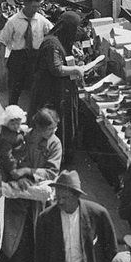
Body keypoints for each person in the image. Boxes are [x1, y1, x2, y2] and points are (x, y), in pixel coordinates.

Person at [0, 108, 62, 262]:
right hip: (18, 195)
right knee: (16, 236)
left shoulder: (54, 143)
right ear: (37, 128)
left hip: (38, 198)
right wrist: (15, 175)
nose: (53, 132)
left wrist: (28, 172)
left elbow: (52, 171)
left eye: (55, 128)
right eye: (49, 129)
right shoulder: (21, 135)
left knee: (39, 235)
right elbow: (5, 157)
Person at [33, 11, 89, 164]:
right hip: (51, 92)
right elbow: (56, 68)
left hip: (58, 89)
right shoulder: (52, 44)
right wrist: (77, 70)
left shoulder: (59, 41)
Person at [0, 0, 52, 110]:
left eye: (37, 7)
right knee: (14, 91)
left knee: (36, 91)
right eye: (33, 7)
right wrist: (1, 66)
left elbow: (52, 34)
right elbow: (2, 42)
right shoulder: (13, 21)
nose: (35, 10)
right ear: (25, 4)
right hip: (18, 59)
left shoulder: (42, 21)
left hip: (35, 59)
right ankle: (11, 117)